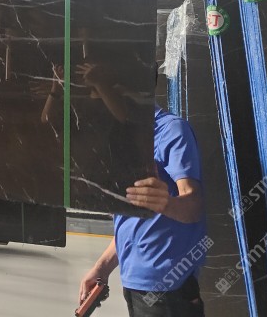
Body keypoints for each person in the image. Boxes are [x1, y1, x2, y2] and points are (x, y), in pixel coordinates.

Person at [79, 101, 207, 316]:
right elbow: (132, 223)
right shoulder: (123, 137)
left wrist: (166, 203)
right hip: (134, 283)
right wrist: (102, 267)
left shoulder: (171, 130)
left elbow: (194, 206)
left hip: (168, 288)